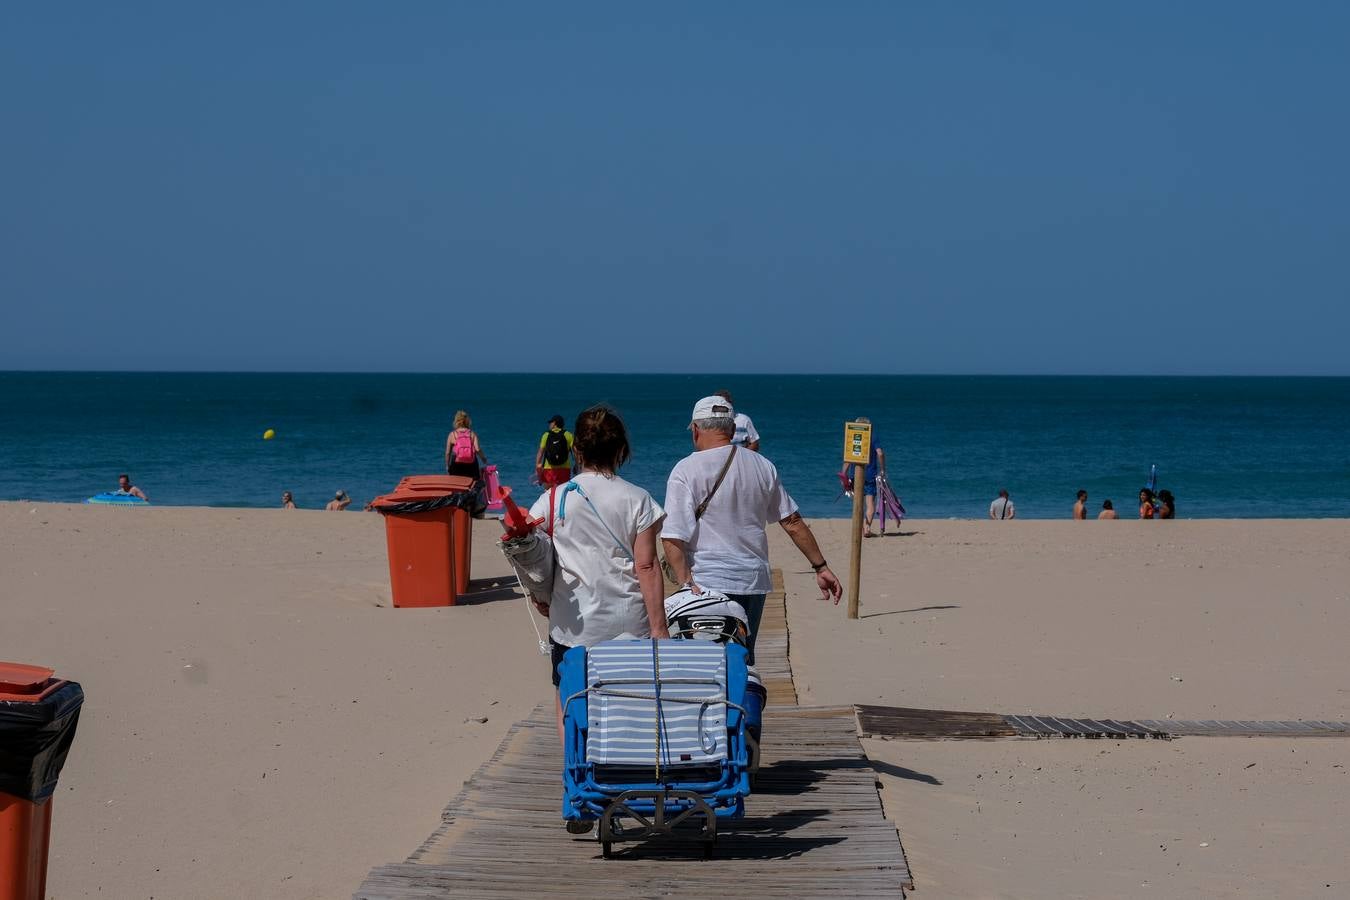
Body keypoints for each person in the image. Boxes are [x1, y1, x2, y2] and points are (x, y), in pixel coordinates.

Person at [527, 405, 669, 755]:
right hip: (628, 622)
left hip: (572, 625)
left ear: (577, 451)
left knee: (569, 700)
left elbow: (529, 547)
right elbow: (647, 567)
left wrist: (539, 593)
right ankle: (621, 770)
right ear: (621, 450)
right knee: (627, 704)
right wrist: (659, 628)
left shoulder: (555, 498)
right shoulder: (639, 500)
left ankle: (577, 776)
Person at [661, 395, 842, 666]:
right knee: (742, 663)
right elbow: (791, 522)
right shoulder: (763, 466)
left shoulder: (686, 470)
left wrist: (687, 583)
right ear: (732, 429)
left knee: (705, 667)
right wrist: (821, 567)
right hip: (752, 583)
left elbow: (673, 536)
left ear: (696, 430)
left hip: (707, 583)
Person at [839, 417, 886, 536]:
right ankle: (867, 527)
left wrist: (843, 474)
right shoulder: (873, 437)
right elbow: (880, 453)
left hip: (856, 475)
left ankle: (860, 529)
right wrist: (883, 469)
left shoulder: (854, 437)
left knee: (858, 504)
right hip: (870, 475)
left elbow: (848, 459)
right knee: (870, 504)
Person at [533, 414, 575, 488]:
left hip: (549, 469)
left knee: (548, 493)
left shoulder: (546, 435)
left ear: (555, 424)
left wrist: (538, 470)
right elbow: (576, 452)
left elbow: (540, 454)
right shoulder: (568, 435)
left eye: (551, 423)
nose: (549, 424)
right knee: (563, 491)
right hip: (564, 469)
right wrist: (577, 466)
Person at [445, 410, 488, 481]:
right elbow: (477, 449)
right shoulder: (472, 434)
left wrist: (447, 465)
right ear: (467, 421)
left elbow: (447, 453)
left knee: (456, 485)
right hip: (471, 464)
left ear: (456, 421)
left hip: (456, 464)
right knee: (474, 484)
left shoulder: (452, 434)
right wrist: (484, 459)